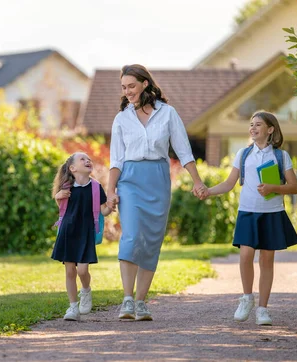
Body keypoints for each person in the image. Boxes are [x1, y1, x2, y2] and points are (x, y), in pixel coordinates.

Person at [107, 64, 206, 321]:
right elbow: (116, 159)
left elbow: (184, 151)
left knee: (151, 240)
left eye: (131, 86)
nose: (127, 91)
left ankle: (141, 302)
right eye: (124, 87)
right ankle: (127, 300)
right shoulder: (122, 118)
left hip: (158, 178)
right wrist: (110, 191)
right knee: (130, 235)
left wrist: (197, 181)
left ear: (145, 84)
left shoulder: (168, 113)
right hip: (129, 179)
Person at [199, 110, 297, 326]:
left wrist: (274, 187)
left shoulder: (281, 156)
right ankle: (247, 298)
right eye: (251, 125)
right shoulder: (243, 154)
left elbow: (294, 187)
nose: (253, 128)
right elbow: (229, 183)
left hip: (272, 214)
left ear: (270, 129)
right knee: (245, 255)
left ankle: (263, 309)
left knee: (266, 260)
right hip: (247, 212)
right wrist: (208, 191)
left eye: (258, 125)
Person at [52, 152, 115, 321]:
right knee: (70, 271)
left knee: (82, 270)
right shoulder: (66, 187)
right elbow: (62, 208)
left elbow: (103, 211)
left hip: (85, 233)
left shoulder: (95, 187)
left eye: (89, 159)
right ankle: (73, 307)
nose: (88, 160)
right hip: (68, 231)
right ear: (72, 168)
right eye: (83, 159)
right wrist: (58, 196)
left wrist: (111, 205)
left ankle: (86, 290)